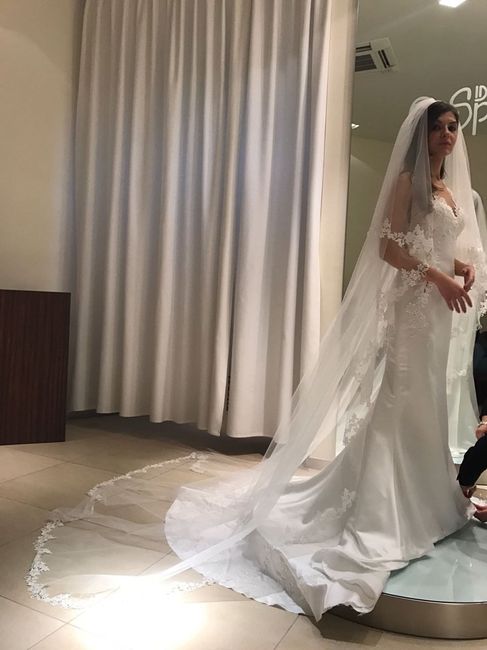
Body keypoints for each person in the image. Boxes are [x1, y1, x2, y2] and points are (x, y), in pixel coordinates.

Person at [27, 99, 487, 619]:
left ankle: (425, 502)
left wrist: (459, 267)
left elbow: (431, 243)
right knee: (401, 400)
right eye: (438, 128)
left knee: (425, 403)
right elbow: (388, 248)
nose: (448, 135)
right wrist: (439, 276)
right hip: (414, 310)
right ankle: (385, 510)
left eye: (453, 127)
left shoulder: (448, 190)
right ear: (420, 135)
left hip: (440, 309)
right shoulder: (407, 182)